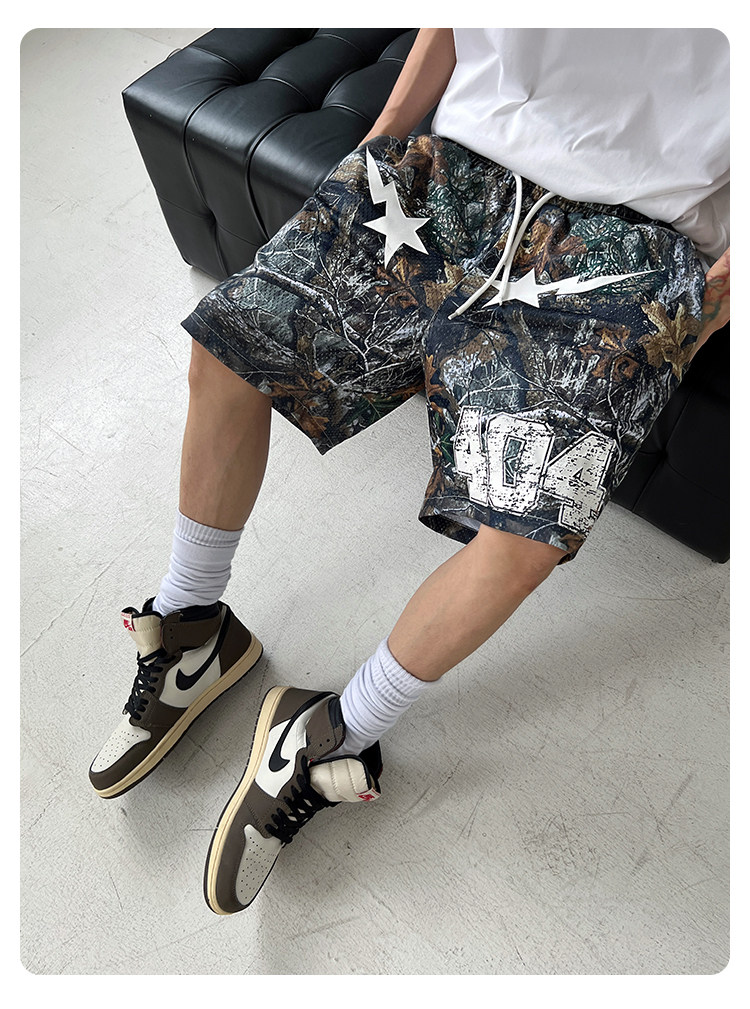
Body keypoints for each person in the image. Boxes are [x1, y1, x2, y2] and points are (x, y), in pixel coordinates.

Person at [89, 28, 730, 916]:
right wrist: (380, 140)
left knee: (526, 536)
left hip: (633, 246)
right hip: (451, 170)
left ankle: (334, 729)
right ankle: (195, 626)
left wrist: (704, 305)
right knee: (229, 350)